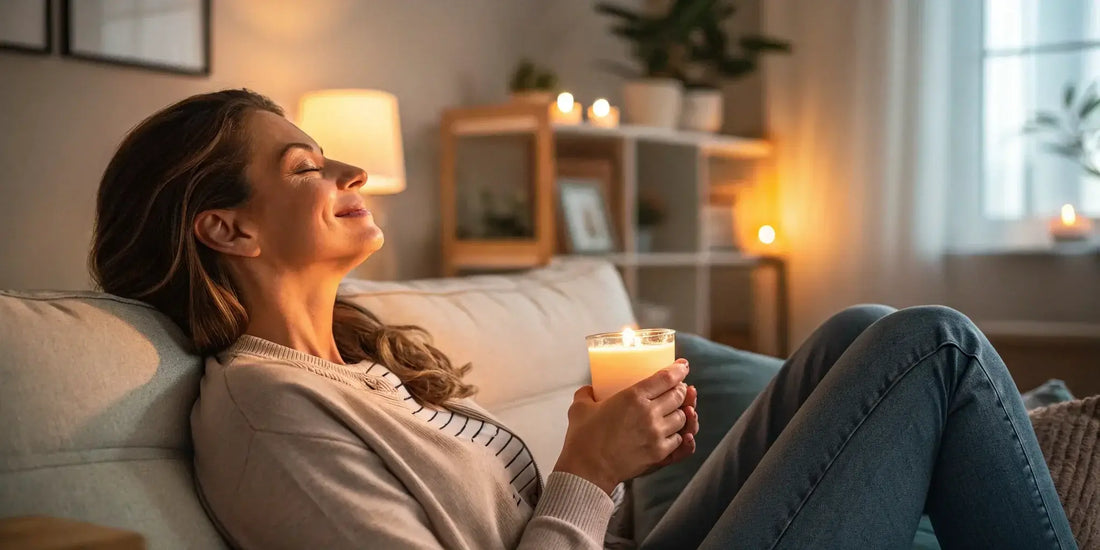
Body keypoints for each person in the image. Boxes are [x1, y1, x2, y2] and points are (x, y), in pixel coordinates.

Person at [88, 89, 1077, 550]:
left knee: (855, 326)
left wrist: (601, 466)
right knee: (929, 341)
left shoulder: (348, 367)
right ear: (227, 228)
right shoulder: (267, 409)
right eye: (305, 169)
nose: (347, 172)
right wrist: (588, 471)